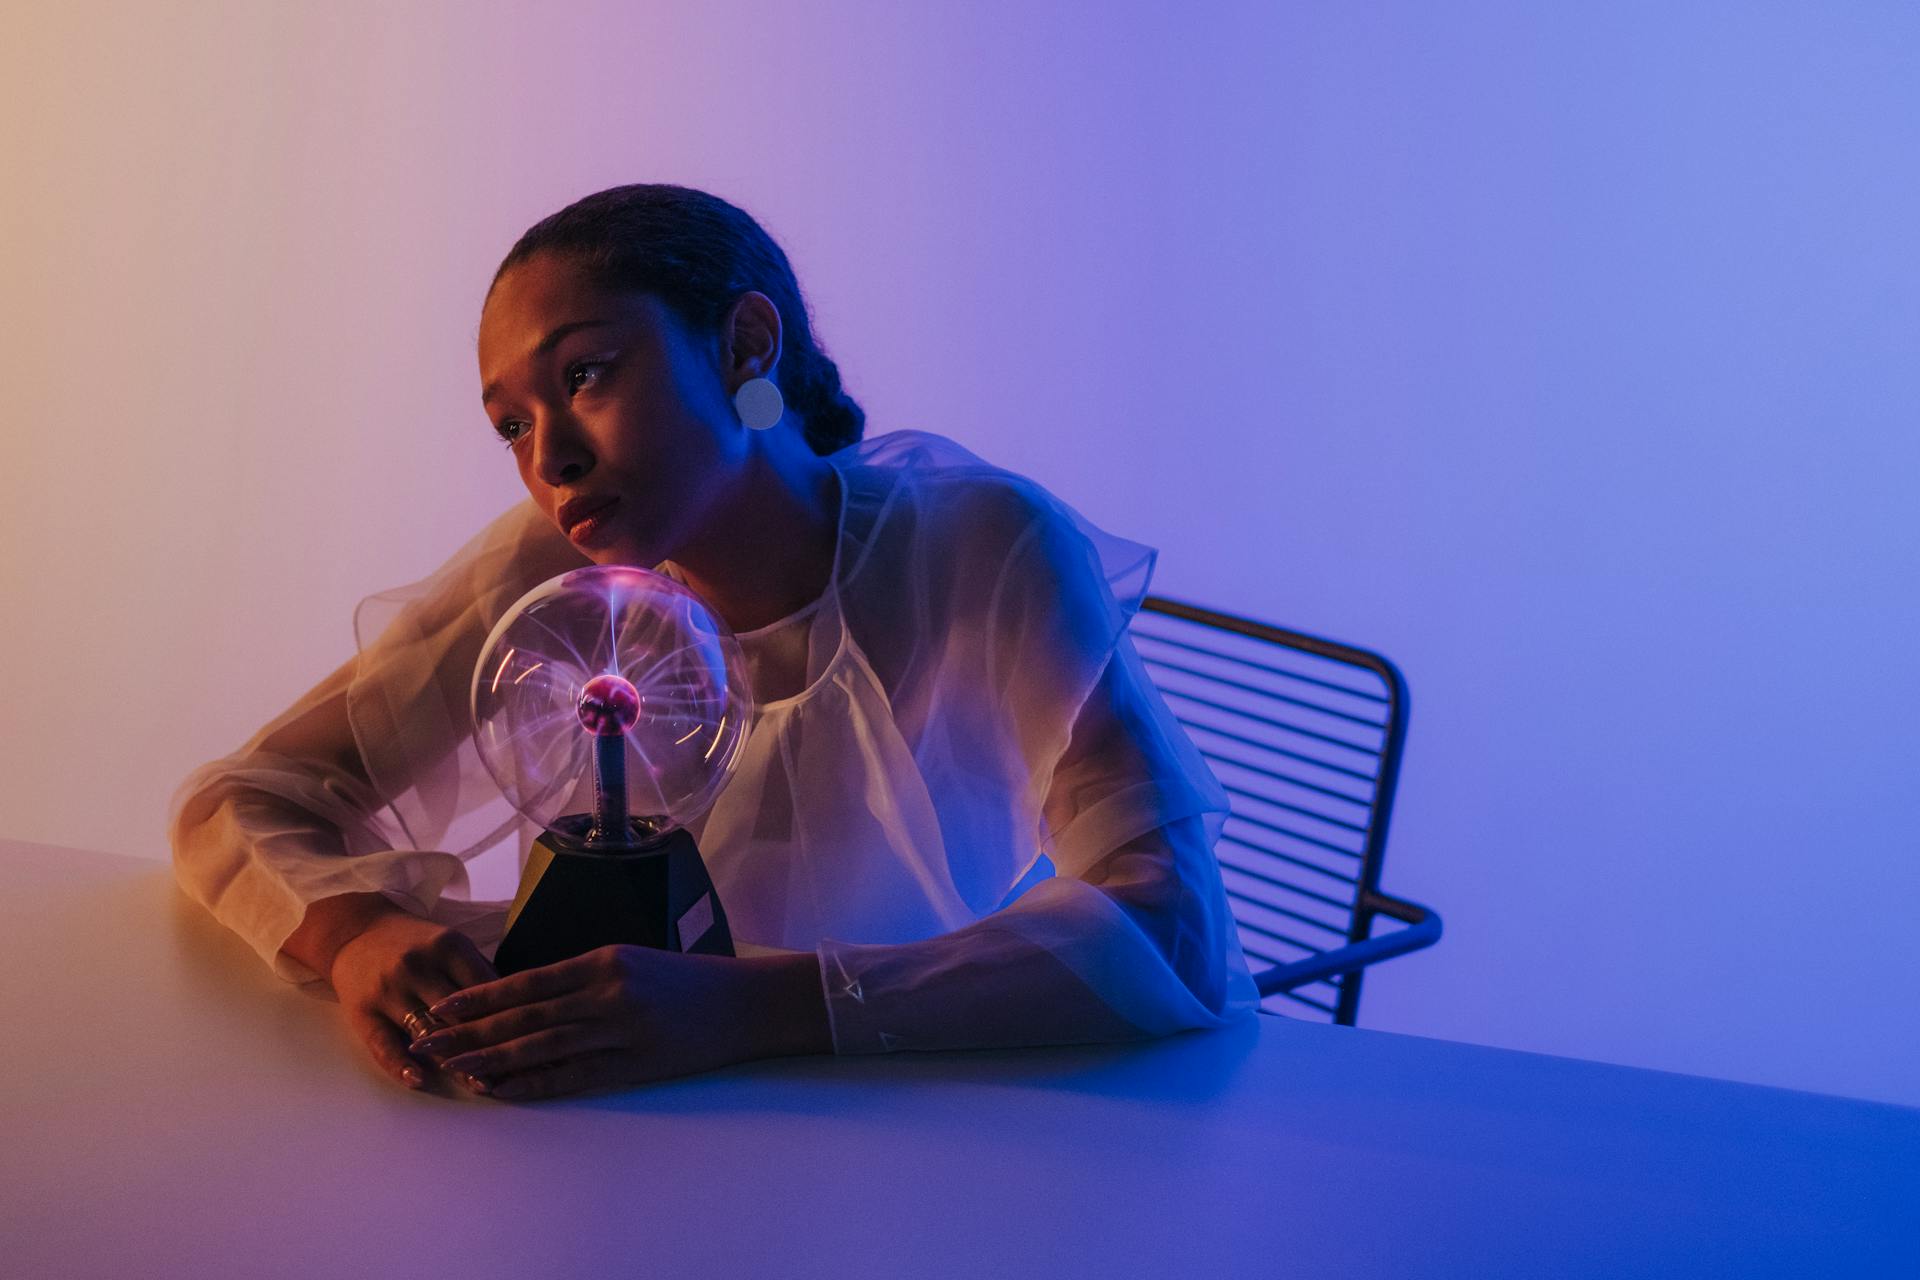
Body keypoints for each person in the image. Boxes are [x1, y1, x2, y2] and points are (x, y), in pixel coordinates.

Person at [167, 183, 1259, 1102]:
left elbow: (1169, 928)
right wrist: (355, 931)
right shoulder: (544, 578)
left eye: (585, 373)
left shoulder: (979, 546)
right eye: (510, 423)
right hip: (629, 1131)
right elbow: (242, 795)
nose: (550, 456)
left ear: (745, 341)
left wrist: (754, 1006)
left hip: (932, 1117)